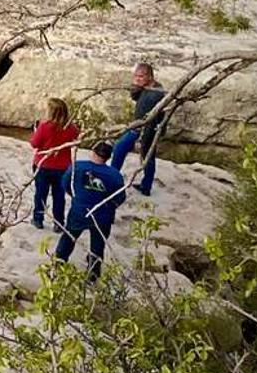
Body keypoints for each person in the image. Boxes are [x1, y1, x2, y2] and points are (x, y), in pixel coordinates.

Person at [53, 141, 127, 281]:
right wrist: (109, 207)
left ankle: (58, 265)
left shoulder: (78, 166)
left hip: (79, 210)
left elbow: (65, 184)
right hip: (102, 214)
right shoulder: (115, 175)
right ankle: (92, 275)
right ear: (108, 157)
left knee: (68, 238)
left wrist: (77, 197)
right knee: (98, 245)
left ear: (93, 152)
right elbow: (120, 197)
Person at [28, 97, 80, 230]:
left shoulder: (44, 127)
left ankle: (38, 219)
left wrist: (36, 130)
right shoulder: (71, 128)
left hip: (44, 165)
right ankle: (58, 222)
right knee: (59, 196)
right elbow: (76, 137)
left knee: (40, 193)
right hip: (62, 167)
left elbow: (34, 144)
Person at [116, 63, 167, 197]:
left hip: (144, 130)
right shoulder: (147, 87)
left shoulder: (155, 94)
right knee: (147, 157)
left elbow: (151, 120)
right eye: (136, 76)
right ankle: (146, 186)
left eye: (141, 76)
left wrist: (142, 139)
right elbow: (135, 97)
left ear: (150, 77)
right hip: (140, 127)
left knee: (120, 149)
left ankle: (112, 179)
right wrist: (137, 86)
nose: (137, 79)